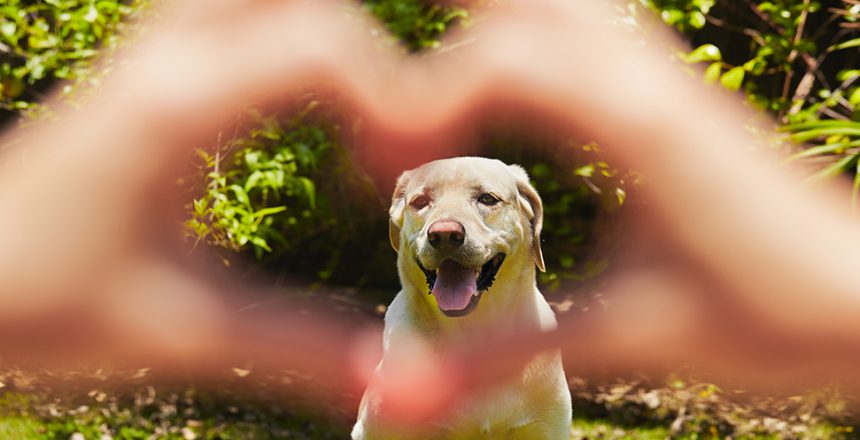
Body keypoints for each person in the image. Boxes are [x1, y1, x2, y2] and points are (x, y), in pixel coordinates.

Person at [1, 0, 858, 424]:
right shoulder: (404, 319)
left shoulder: (539, 346)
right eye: (420, 205)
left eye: (483, 204)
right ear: (399, 230)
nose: (445, 225)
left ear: (528, 223)